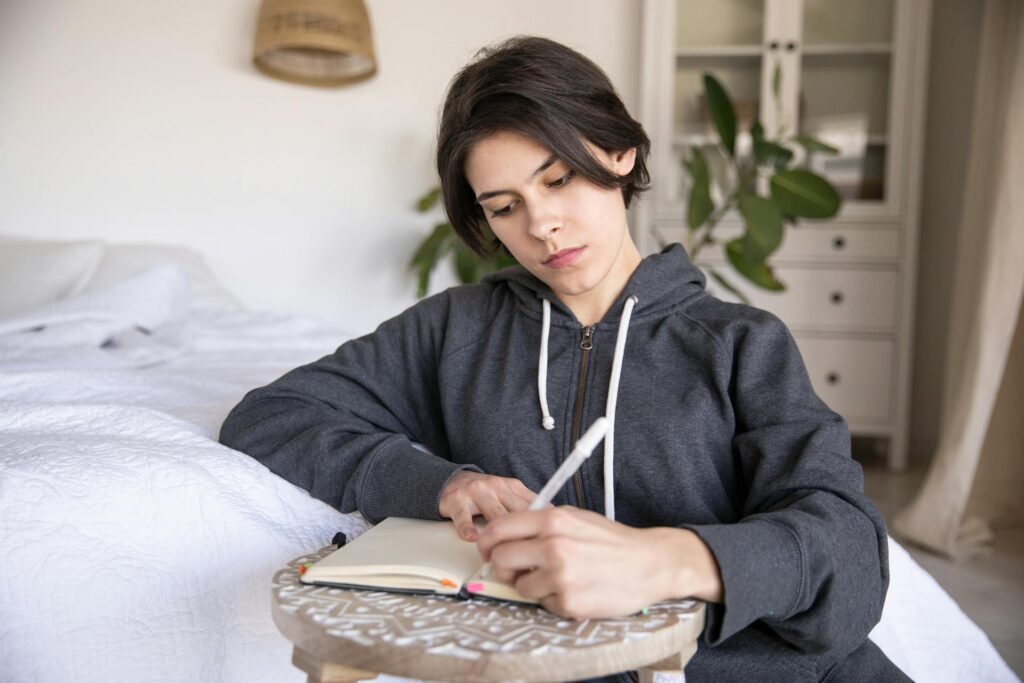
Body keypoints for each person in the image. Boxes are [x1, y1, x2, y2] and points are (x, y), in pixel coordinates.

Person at [220, 36, 907, 682]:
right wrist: (437, 482)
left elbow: (849, 555)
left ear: (618, 154)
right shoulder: (455, 331)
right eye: (504, 206)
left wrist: (667, 560)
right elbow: (272, 415)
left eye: (557, 180)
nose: (540, 225)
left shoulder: (741, 344)